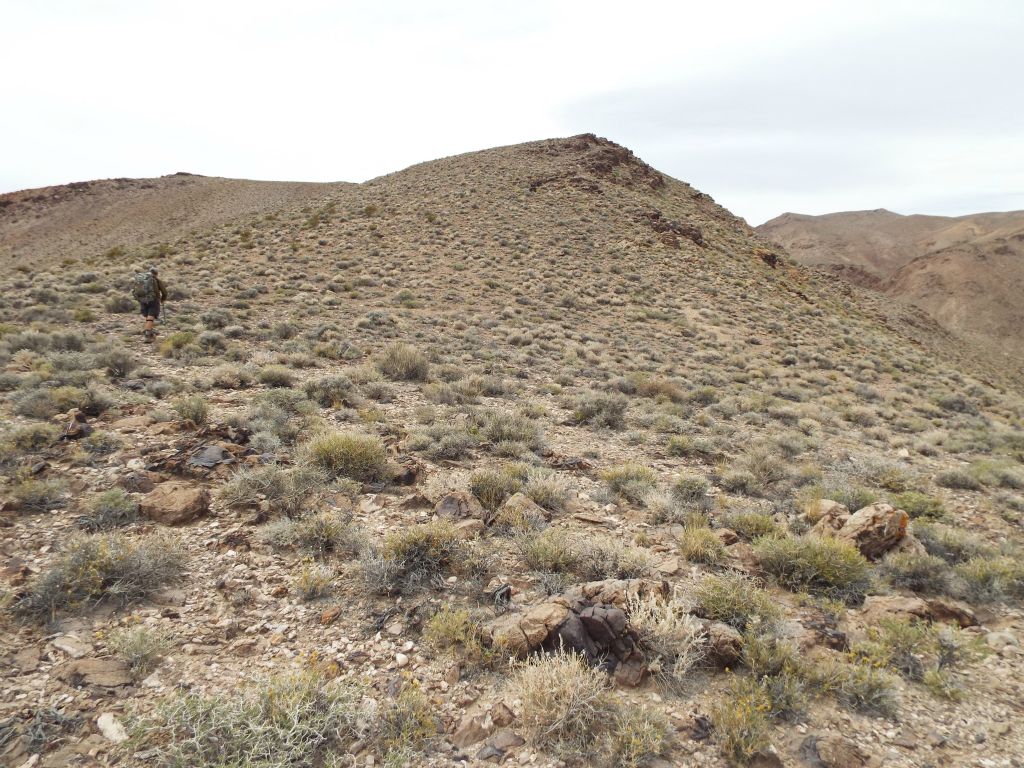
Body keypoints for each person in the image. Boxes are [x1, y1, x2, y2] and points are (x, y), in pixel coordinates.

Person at [133, 266, 168, 342]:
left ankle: (150, 330)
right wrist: (163, 299)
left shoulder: (142, 278)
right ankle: (148, 334)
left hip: (142, 300)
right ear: (156, 273)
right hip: (153, 300)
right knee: (151, 316)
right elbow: (164, 292)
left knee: (148, 316)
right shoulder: (156, 279)